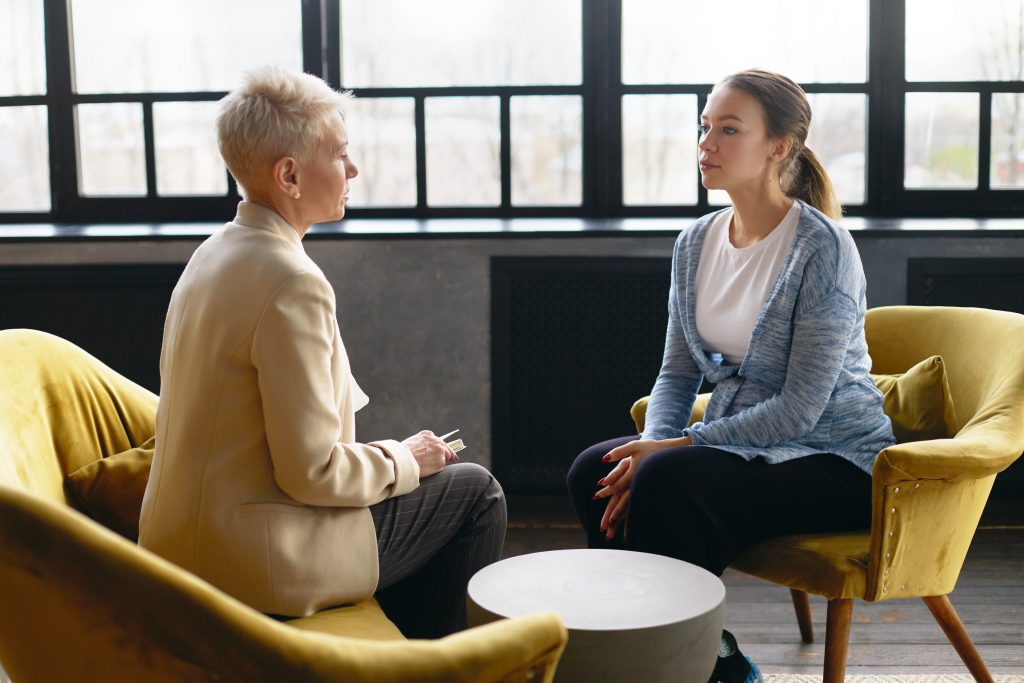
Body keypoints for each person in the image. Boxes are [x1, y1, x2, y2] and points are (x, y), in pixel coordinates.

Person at [139, 66, 505, 639]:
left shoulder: (213, 253)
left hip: (182, 544)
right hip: (249, 563)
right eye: (339, 154)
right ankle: (433, 668)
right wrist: (406, 459)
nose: (353, 168)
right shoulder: (291, 282)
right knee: (477, 492)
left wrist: (393, 461)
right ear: (288, 175)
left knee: (422, 486)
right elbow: (312, 473)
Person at [566, 69, 896, 682]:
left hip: (836, 458)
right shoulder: (695, 242)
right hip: (751, 448)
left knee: (669, 478)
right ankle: (681, 652)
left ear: (779, 147)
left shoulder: (822, 248)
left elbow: (801, 410)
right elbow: (676, 370)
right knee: (596, 469)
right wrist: (647, 445)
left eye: (729, 129)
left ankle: (673, 658)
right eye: (704, 127)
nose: (706, 143)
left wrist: (675, 447)